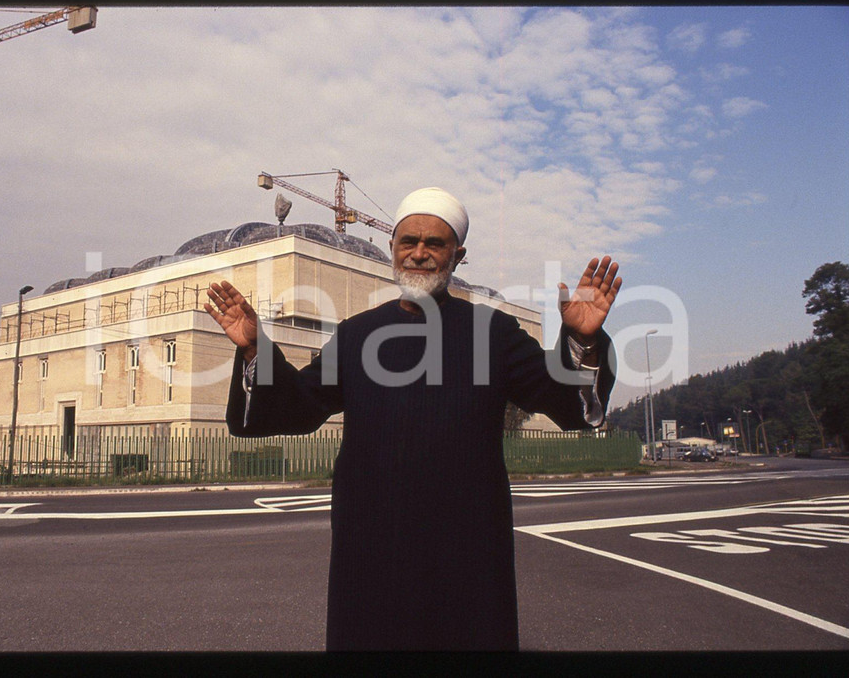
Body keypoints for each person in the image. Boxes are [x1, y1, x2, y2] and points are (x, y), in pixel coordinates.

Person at [204, 187, 622, 651]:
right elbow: (299, 405)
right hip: (371, 548)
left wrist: (583, 342)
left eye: (435, 244)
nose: (419, 253)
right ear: (392, 249)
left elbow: (565, 402)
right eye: (409, 242)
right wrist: (253, 347)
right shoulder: (358, 334)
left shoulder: (492, 332)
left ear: (457, 256)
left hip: (467, 551)